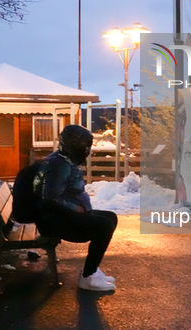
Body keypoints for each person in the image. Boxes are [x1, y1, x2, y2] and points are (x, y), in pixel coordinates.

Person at [33, 124, 118, 291]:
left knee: (110, 217)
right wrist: (76, 208)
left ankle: (91, 270)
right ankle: (88, 277)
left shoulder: (63, 159)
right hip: (54, 220)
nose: (87, 149)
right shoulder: (60, 165)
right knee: (104, 225)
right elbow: (51, 198)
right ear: (75, 144)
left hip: (57, 216)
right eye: (85, 145)